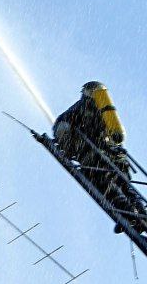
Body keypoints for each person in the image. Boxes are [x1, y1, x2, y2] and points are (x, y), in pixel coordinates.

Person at [53, 82, 142, 220]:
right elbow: (118, 136)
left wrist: (65, 147)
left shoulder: (77, 110)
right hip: (117, 156)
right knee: (125, 187)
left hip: (95, 157)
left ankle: (129, 214)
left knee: (104, 185)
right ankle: (142, 215)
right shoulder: (105, 109)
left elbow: (63, 130)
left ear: (85, 92)